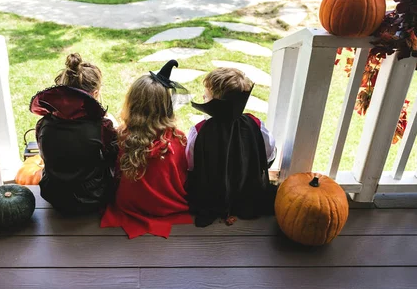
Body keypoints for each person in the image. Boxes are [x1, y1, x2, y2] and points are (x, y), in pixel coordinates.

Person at [100, 60, 192, 239]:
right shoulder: (178, 139)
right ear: (166, 107)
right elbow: (184, 176)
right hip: (169, 206)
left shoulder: (121, 137)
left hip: (129, 205)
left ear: (132, 104)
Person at [186, 67, 277, 227]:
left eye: (206, 96)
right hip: (247, 192)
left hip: (211, 193)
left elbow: (190, 164)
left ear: (216, 104)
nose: (202, 97)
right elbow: (269, 154)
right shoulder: (255, 124)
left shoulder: (199, 131)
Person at [29, 53, 118, 215]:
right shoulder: (102, 127)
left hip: (54, 195)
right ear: (96, 93)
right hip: (93, 198)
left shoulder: (44, 124)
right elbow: (114, 157)